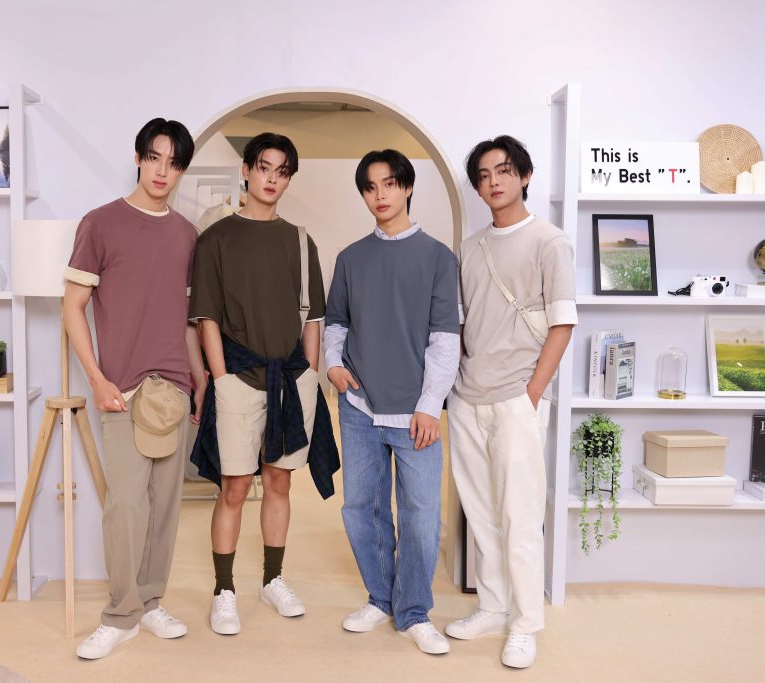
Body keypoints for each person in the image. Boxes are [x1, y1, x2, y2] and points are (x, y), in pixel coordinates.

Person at [64, 117, 206, 660]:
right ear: (139, 158)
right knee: (125, 505)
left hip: (173, 387)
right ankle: (120, 615)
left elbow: (186, 321)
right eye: (154, 158)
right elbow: (72, 308)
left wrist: (198, 380)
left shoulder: (187, 235)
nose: (163, 171)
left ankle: (148, 602)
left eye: (174, 163)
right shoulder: (99, 224)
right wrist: (97, 379)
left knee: (165, 506)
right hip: (121, 387)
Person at [188, 131, 338, 636]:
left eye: (282, 172)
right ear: (246, 171)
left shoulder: (300, 240)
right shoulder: (216, 239)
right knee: (233, 486)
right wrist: (221, 378)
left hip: (291, 379)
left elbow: (312, 318)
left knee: (279, 481)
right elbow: (206, 317)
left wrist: (309, 372)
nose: (272, 179)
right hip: (238, 379)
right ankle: (224, 590)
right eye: (264, 168)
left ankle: (273, 579)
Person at [445, 135, 577, 669]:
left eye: (503, 171)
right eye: (483, 175)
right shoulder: (469, 248)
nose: (493, 182)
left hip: (517, 399)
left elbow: (562, 323)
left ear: (524, 176)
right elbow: (460, 324)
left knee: (520, 516)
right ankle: (493, 607)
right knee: (480, 514)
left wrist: (532, 394)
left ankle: (525, 624)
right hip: (467, 397)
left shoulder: (550, 241)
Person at [324, 149, 460, 655]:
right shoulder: (351, 258)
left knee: (421, 515)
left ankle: (414, 612)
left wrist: (430, 405)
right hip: (359, 406)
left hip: (416, 411)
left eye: (389, 183)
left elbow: (445, 338)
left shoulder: (438, 258)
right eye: (370, 187)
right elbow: (336, 323)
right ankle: (380, 599)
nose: (379, 195)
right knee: (361, 508)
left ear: (407, 187)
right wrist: (333, 365)